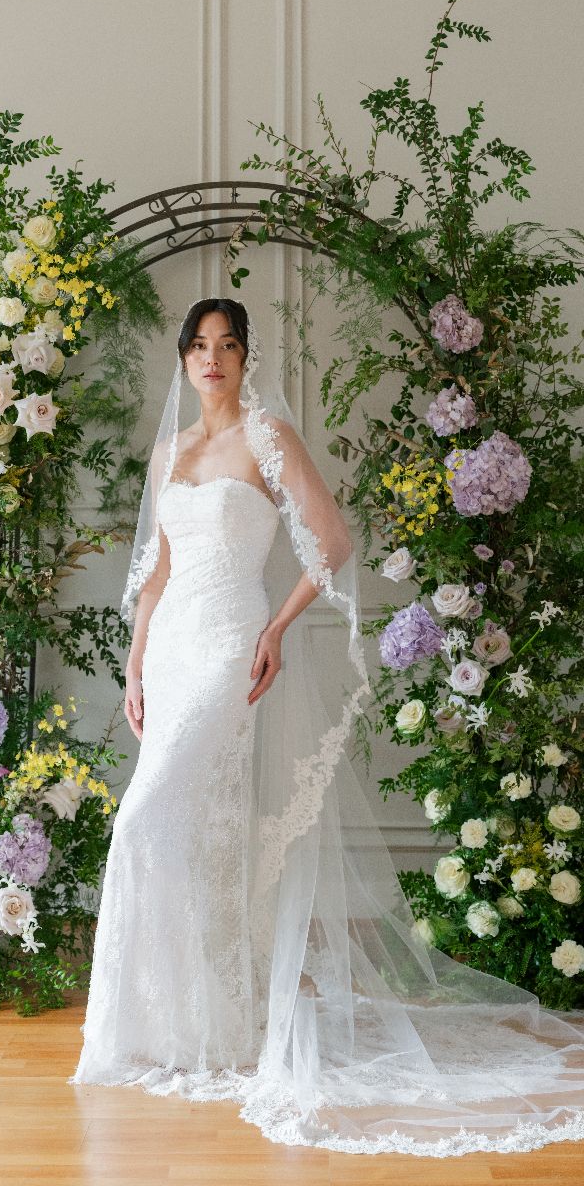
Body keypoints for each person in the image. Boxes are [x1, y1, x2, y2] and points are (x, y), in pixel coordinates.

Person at [69, 297, 584, 1157]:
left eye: (227, 346)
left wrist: (273, 628)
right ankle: (194, 1026)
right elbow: (154, 570)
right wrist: (132, 663)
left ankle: (193, 1020)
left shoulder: (266, 437)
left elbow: (333, 541)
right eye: (199, 346)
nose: (212, 360)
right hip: (169, 653)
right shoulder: (171, 451)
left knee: (144, 820)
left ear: (246, 357)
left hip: (233, 639)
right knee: (191, 834)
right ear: (185, 359)